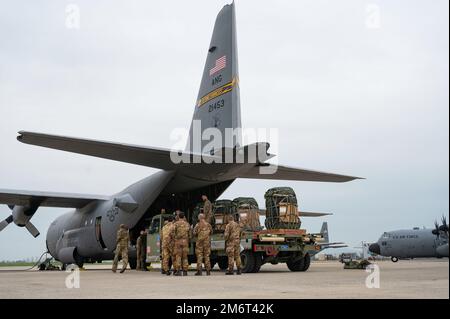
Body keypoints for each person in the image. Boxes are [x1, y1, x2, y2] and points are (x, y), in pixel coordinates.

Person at [172, 212, 191, 276]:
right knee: (185, 257)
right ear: (184, 217)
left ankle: (178, 271)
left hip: (178, 242)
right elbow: (190, 234)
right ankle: (185, 271)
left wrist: (175, 238)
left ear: (179, 217)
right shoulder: (187, 224)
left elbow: (172, 233)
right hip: (185, 242)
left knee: (178, 256)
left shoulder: (176, 224)